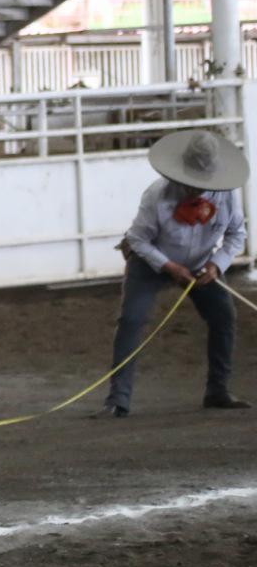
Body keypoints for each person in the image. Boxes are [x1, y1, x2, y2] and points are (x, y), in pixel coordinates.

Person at [95, 129, 249, 417]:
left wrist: (217, 265)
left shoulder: (227, 196)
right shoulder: (156, 194)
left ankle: (218, 390)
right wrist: (169, 266)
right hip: (151, 262)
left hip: (202, 265)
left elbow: (235, 235)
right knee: (131, 319)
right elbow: (138, 239)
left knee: (224, 317)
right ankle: (118, 399)